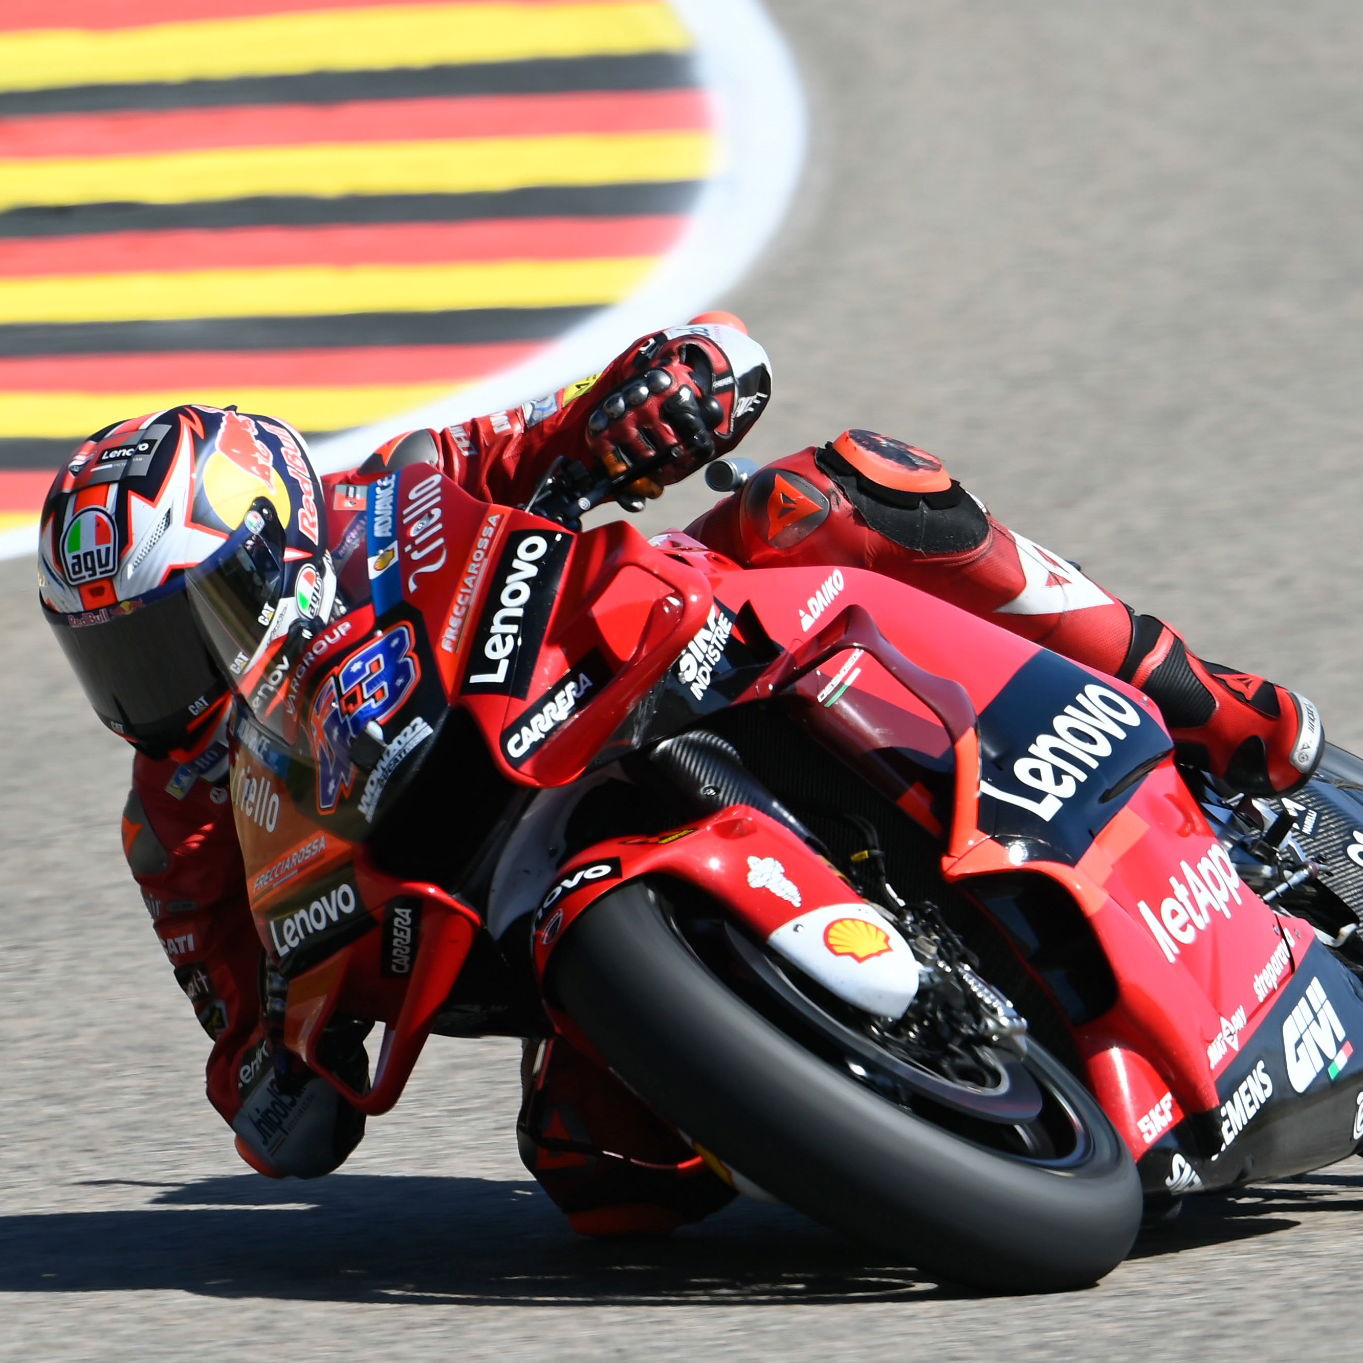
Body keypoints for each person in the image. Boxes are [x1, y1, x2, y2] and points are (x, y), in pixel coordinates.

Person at [37, 316, 1322, 1233]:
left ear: (273, 549)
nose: (162, 691)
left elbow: (607, 400)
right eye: (121, 661)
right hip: (512, 904)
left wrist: (671, 385)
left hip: (650, 663)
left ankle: (1213, 705)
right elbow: (249, 1073)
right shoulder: (177, 825)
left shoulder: (401, 491)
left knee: (835, 493)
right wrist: (280, 1065)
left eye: (178, 629)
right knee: (600, 1178)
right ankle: (894, 1102)